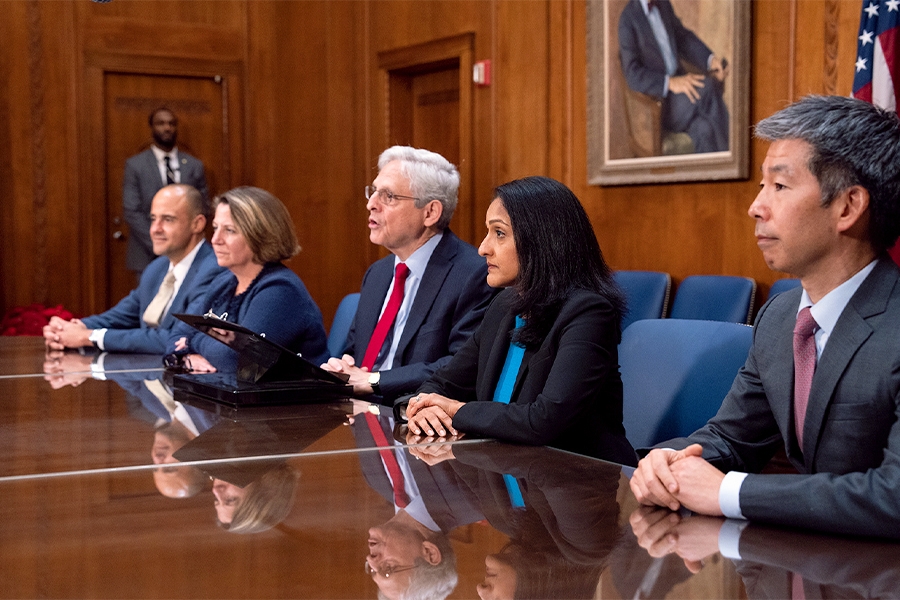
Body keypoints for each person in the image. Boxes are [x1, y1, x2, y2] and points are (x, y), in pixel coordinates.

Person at [629, 95, 900, 538]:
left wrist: (728, 494)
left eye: (779, 186)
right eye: (761, 186)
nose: (756, 207)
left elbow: (893, 496)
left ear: (848, 207)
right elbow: (733, 438)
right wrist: (669, 460)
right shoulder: (781, 315)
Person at [404, 176, 637, 464]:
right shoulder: (505, 306)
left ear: (543, 241)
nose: (483, 248)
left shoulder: (589, 312)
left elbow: (544, 420)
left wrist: (454, 410)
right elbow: (442, 382)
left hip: (578, 483)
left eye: (499, 234)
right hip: (508, 474)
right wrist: (426, 408)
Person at [321, 146, 495, 404]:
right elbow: (358, 353)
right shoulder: (378, 274)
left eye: (388, 196)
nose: (371, 204)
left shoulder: (473, 274)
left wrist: (373, 381)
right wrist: (344, 367)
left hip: (411, 419)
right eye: (373, 192)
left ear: (430, 212)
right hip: (357, 414)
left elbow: (461, 365)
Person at [43, 184, 221, 354]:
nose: (155, 229)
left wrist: (90, 336)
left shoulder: (213, 270)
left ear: (197, 224)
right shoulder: (157, 268)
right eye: (153, 219)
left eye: (167, 219)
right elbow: (121, 316)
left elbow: (179, 338)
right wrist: (71, 328)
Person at [169, 186, 329, 372]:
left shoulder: (280, 290)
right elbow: (175, 336)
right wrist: (188, 356)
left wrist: (193, 340)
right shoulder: (223, 283)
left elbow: (237, 361)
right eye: (215, 228)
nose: (215, 239)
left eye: (229, 230)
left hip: (299, 399)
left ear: (259, 236)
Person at [618, 0, 730, 153]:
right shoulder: (628, 19)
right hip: (659, 104)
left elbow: (683, 38)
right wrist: (670, 83)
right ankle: (734, 157)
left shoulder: (663, 4)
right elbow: (633, 75)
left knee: (704, 130)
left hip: (681, 93)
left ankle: (719, 174)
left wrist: (710, 60)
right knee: (709, 88)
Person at [124, 107, 209, 276]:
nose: (167, 128)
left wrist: (182, 242)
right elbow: (132, 210)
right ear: (152, 127)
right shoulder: (135, 165)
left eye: (171, 123)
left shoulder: (193, 165)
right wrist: (160, 241)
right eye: (161, 123)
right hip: (147, 253)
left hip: (187, 253)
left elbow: (202, 206)